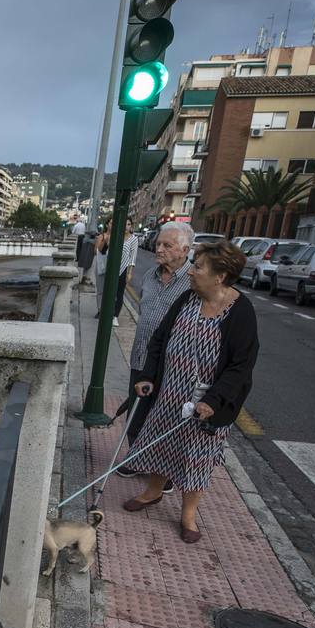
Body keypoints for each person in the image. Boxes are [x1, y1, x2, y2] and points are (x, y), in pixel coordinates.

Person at [122, 240, 258, 543]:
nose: (193, 272)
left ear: (219, 276)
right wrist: (148, 376)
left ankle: (188, 515)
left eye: (198, 267)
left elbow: (241, 366)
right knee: (160, 444)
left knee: (197, 456)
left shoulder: (241, 312)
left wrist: (213, 400)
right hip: (170, 391)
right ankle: (153, 492)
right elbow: (159, 339)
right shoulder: (187, 298)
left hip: (205, 402)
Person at [117, 221, 194, 472]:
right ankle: (136, 459)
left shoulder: (193, 281)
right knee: (136, 412)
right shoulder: (150, 275)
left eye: (167, 245)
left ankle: (163, 471)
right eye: (159, 243)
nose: (159, 249)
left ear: (184, 250)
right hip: (141, 356)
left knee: (164, 415)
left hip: (172, 363)